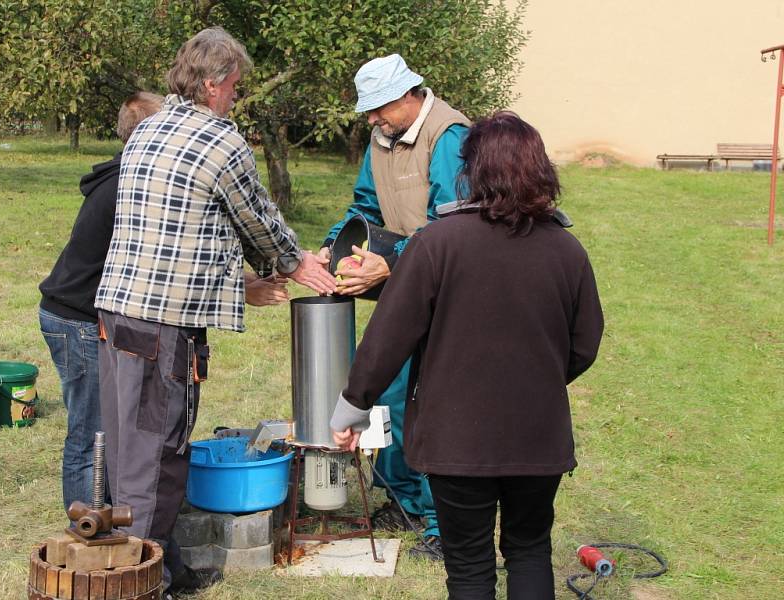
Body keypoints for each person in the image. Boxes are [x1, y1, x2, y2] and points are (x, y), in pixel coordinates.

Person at [94, 27, 336, 596]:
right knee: (157, 457)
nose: (236, 96)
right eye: (234, 86)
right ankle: (142, 583)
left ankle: (164, 567)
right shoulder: (219, 139)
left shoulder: (149, 128)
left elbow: (189, 228)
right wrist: (296, 263)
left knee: (131, 449)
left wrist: (250, 278)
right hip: (161, 328)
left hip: (116, 315)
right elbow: (255, 216)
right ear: (211, 84)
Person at [330, 112, 604, 599]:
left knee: (471, 566)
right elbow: (584, 344)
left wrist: (352, 405)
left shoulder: (436, 244)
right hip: (536, 436)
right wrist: (537, 379)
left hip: (456, 439)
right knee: (529, 551)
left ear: (473, 171)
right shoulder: (568, 250)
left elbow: (388, 336)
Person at [319, 53, 471, 559]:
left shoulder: (449, 136)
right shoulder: (380, 137)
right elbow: (364, 205)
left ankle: (439, 523)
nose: (372, 120)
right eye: (367, 112)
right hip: (404, 283)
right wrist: (332, 245)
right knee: (390, 389)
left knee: (432, 403)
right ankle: (402, 500)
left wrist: (395, 262)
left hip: (446, 285)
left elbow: (454, 222)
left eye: (378, 108)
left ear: (410, 95)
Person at [39, 92, 164, 512]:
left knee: (101, 426)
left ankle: (103, 512)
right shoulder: (128, 184)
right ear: (148, 133)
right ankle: (85, 528)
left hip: (71, 311)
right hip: (75, 318)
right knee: (91, 430)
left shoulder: (121, 173)